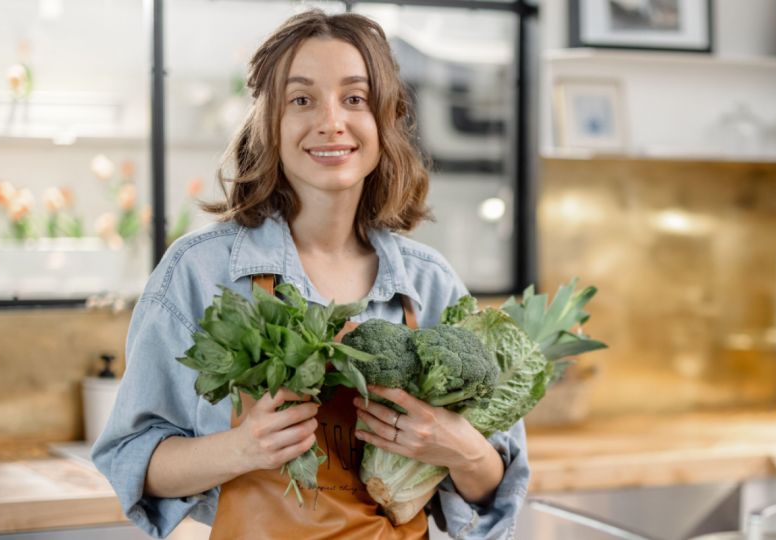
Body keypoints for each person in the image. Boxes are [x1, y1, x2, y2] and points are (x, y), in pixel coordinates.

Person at [92, 9, 529, 539]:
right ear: (269, 122)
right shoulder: (200, 272)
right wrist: (241, 448)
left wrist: (459, 447)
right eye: (302, 100)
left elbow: (493, 490)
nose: (331, 121)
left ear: (384, 120)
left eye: (354, 98)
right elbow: (131, 458)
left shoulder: (430, 284)